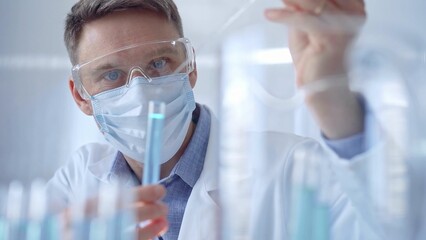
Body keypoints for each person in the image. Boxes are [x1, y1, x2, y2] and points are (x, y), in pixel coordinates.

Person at [46, 0, 377, 239]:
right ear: (80, 96)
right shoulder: (78, 179)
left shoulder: (292, 166)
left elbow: (391, 225)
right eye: (112, 74)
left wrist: (334, 102)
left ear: (190, 68)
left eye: (159, 63)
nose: (141, 91)